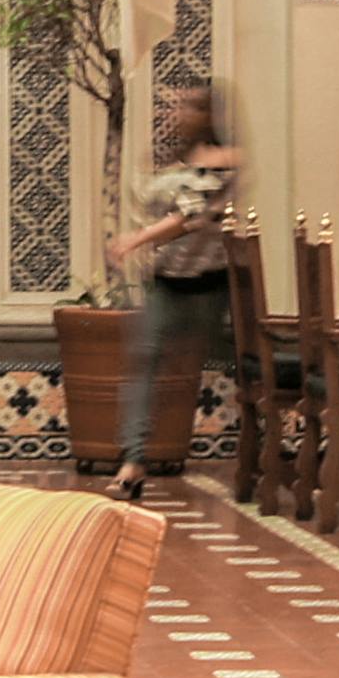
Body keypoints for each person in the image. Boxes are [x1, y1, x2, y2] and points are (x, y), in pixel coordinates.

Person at [102, 84, 242, 504]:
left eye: (188, 106)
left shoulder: (226, 164)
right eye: (175, 106)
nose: (178, 113)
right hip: (167, 287)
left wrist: (135, 239)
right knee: (143, 365)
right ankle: (134, 462)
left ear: (210, 114)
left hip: (210, 292)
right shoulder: (179, 163)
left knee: (242, 365)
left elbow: (191, 216)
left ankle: (266, 451)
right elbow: (154, 200)